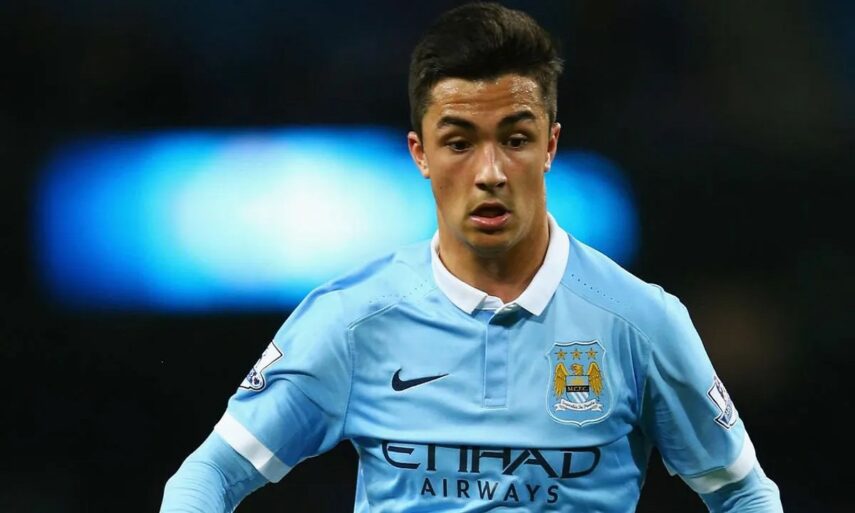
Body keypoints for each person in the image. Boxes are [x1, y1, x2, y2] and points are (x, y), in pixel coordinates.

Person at [160, 2, 783, 512]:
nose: (490, 172)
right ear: (420, 154)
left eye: (515, 139)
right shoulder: (351, 319)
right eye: (459, 143)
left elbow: (743, 493)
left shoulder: (641, 322)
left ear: (550, 146)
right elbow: (210, 475)